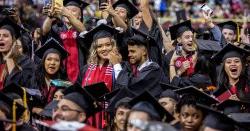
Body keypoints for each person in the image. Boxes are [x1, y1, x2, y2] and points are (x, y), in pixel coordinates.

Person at [42, 0, 89, 83]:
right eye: (67, 10)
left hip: (80, 74)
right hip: (61, 73)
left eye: (73, 11)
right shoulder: (57, 28)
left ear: (80, 15)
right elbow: (45, 31)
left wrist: (67, 14)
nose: (69, 12)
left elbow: (83, 31)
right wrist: (49, 17)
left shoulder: (84, 28)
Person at [115, 28, 167, 97]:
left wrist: (116, 65)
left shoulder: (154, 70)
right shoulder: (134, 70)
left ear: (144, 52)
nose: (129, 55)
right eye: (129, 51)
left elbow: (132, 85)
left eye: (133, 51)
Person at [31, 38, 68, 108]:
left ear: (60, 64)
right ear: (43, 62)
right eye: (49, 59)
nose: (52, 63)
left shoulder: (65, 83)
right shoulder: (34, 80)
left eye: (56, 60)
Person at [0, 17, 33, 90]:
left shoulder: (26, 62)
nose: (0, 38)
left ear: (14, 40)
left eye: (5, 36)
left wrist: (9, 59)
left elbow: (17, 88)